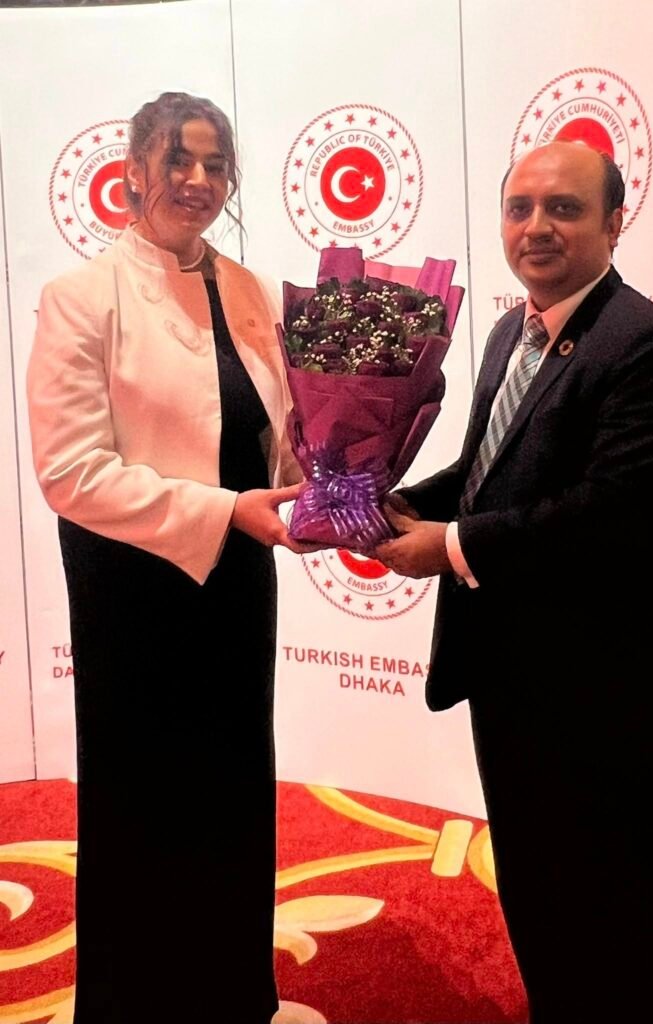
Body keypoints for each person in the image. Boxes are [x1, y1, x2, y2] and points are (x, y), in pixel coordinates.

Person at [376, 140, 653, 1024]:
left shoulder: (651, 343)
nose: (536, 227)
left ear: (613, 222)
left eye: (563, 208)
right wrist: (386, 504)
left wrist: (451, 545)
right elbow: (487, 471)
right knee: (546, 915)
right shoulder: (511, 330)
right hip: (513, 682)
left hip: (617, 699)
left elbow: (613, 517)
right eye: (519, 208)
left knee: (633, 939)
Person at [27, 91, 308, 1024]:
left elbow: (268, 435)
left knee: (233, 789)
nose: (197, 180)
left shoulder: (251, 288)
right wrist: (225, 511)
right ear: (131, 175)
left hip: (237, 579)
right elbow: (71, 472)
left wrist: (325, 481)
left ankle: (232, 994)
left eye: (214, 165)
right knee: (144, 801)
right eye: (177, 162)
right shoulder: (80, 298)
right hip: (133, 592)